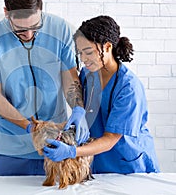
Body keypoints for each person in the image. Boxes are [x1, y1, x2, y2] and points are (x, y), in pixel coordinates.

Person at [0, 0, 87, 176]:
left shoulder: (60, 30)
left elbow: (70, 79)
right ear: (6, 13)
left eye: (35, 28)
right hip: (10, 149)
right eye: (20, 30)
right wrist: (31, 128)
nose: (28, 35)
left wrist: (78, 108)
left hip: (56, 145)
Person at [43, 15, 160, 174]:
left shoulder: (129, 87)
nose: (83, 59)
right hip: (99, 161)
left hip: (129, 164)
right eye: (80, 53)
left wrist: (71, 152)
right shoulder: (87, 74)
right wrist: (77, 113)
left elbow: (111, 138)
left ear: (107, 47)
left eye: (88, 52)